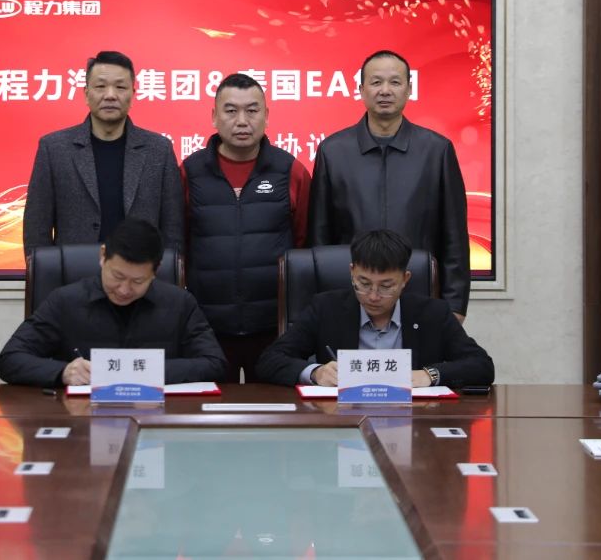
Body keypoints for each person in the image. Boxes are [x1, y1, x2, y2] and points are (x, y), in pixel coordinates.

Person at [308, 49, 471, 319]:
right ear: (361, 90)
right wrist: (323, 305)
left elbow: (454, 235)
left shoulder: (436, 150)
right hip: (350, 298)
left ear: (409, 90)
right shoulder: (333, 151)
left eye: (395, 82)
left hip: (420, 294)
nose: (385, 90)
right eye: (376, 82)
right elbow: (319, 235)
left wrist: (455, 305)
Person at [181, 73, 311, 382]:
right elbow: (179, 244)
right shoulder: (190, 171)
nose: (242, 121)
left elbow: (305, 244)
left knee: (274, 407)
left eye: (252, 110)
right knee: (207, 408)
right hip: (207, 327)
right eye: (231, 111)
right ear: (214, 116)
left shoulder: (290, 170)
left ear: (267, 116)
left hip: (274, 327)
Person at [0, 219, 226, 387]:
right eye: (117, 276)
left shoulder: (179, 304)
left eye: (137, 281)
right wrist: (63, 372)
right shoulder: (65, 301)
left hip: (156, 420)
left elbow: (215, 364)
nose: (124, 290)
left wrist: (146, 369)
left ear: (156, 271)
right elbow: (9, 360)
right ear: (103, 256)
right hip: (80, 421)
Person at [254, 229, 493, 388]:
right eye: (364, 283)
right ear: (352, 272)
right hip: (342, 423)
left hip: (414, 424)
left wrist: (430, 375)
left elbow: (481, 366)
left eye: (386, 286)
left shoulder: (433, 313)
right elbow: (269, 361)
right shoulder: (326, 308)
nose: (373, 296)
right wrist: (315, 372)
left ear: (405, 279)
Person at [22, 50, 184, 254]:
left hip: (141, 271)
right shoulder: (54, 149)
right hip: (74, 270)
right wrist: (43, 270)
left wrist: (168, 269)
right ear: (86, 94)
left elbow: (173, 229)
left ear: (133, 94)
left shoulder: (159, 150)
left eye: (120, 87)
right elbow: (36, 228)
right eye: (100, 86)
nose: (110, 95)